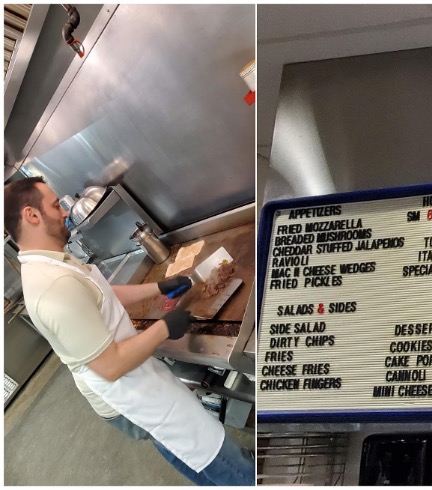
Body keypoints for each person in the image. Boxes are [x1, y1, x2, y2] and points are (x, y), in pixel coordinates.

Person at [4, 176, 254, 486]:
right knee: (197, 446)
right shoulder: (52, 286)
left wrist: (159, 287)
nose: (65, 212)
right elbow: (110, 365)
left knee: (187, 443)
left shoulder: (54, 261)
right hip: (125, 397)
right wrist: (165, 327)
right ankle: (242, 476)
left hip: (135, 378)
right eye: (56, 205)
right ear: (32, 215)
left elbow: (101, 294)